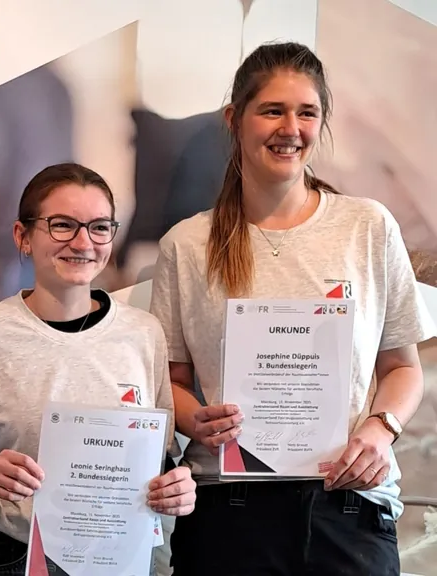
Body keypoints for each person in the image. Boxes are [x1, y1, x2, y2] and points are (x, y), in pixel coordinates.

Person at [150, 41, 437, 576]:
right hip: (227, 513)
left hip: (349, 506)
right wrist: (199, 420)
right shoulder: (186, 245)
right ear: (235, 119)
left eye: (307, 112)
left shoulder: (367, 227)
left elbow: (402, 368)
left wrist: (380, 428)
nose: (291, 128)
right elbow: (173, 379)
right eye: (273, 110)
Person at [0, 162, 197, 576]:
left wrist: (177, 487)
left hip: (123, 556)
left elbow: (157, 460)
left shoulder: (144, 334)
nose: (83, 242)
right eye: (62, 225)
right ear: (23, 236)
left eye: (98, 227)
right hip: (18, 557)